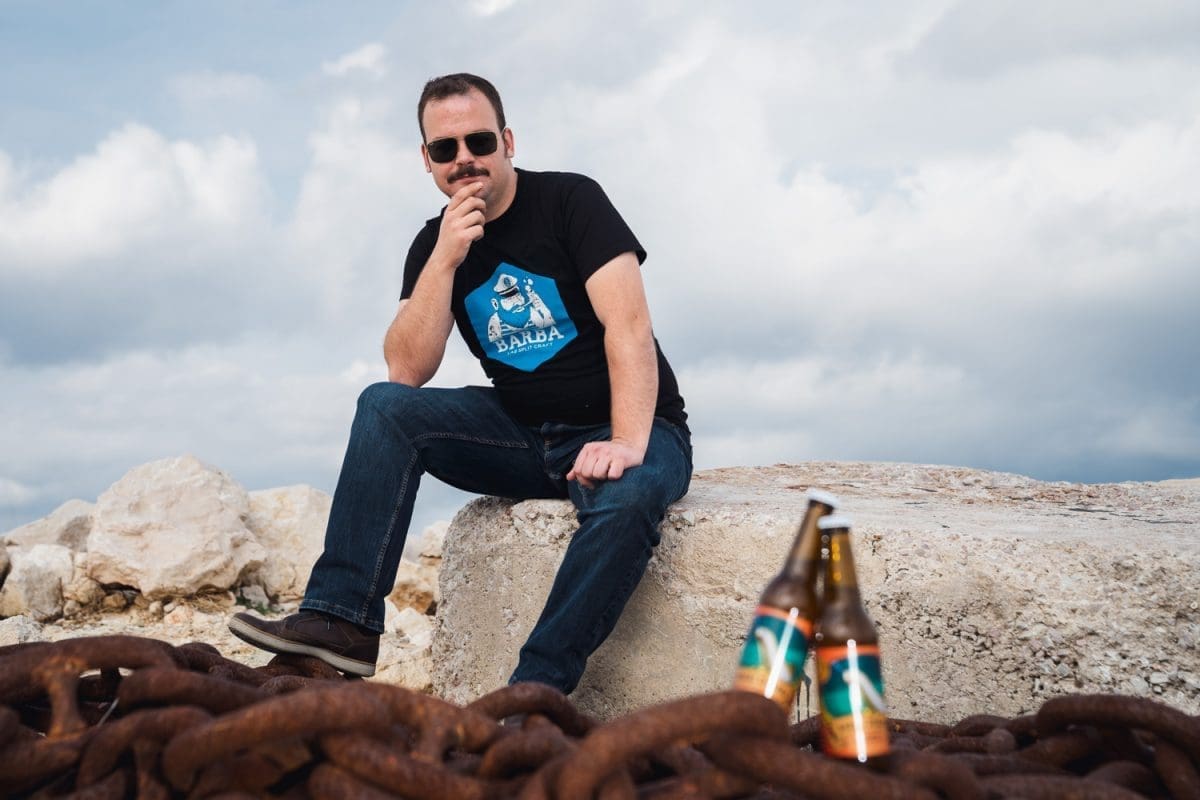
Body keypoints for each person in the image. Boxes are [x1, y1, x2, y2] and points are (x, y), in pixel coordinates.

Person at [229, 73, 691, 695]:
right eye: (445, 148)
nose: (464, 158)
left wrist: (628, 442)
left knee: (629, 499)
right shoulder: (434, 242)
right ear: (427, 160)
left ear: (507, 141)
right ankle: (341, 622)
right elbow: (406, 371)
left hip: (632, 425)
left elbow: (629, 325)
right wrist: (445, 256)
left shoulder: (571, 200)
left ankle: (533, 691)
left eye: (479, 141)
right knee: (384, 407)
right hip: (524, 435)